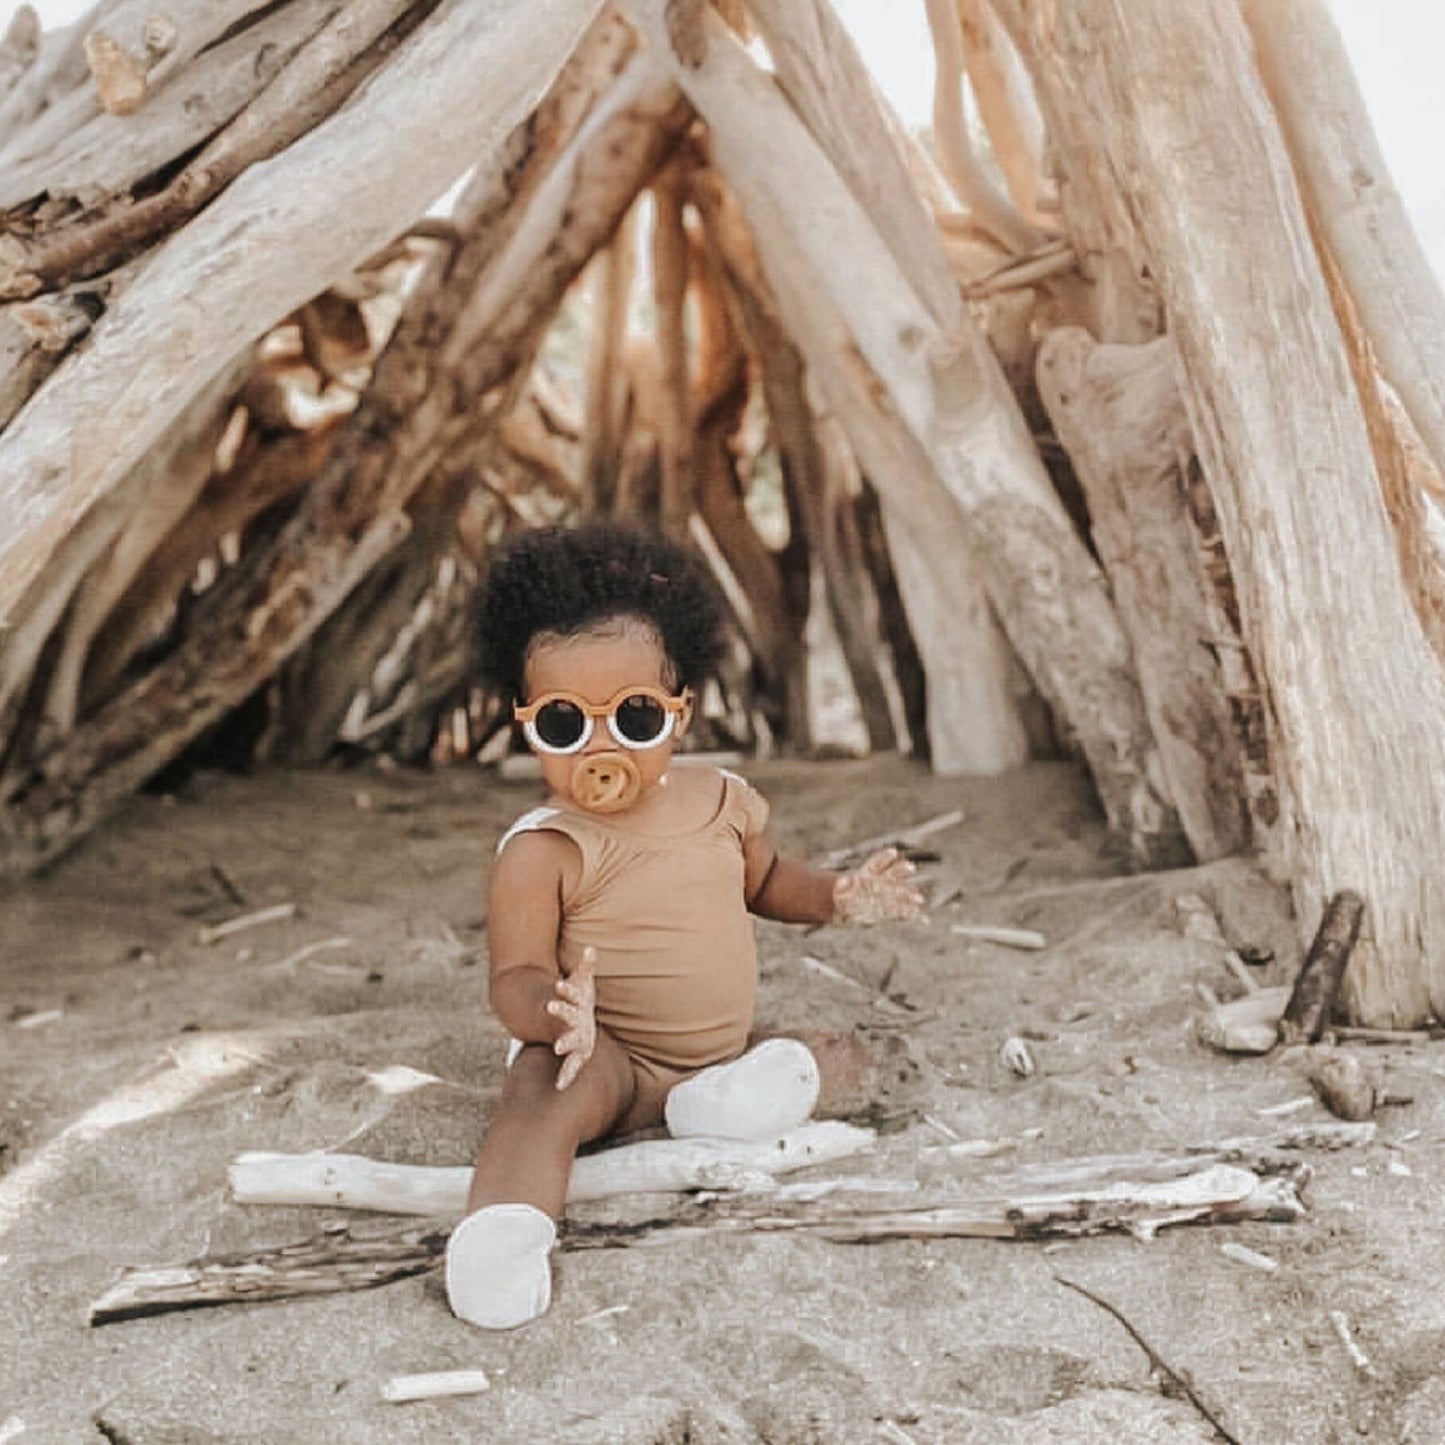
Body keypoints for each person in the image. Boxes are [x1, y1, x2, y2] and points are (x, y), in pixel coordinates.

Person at [446, 521, 924, 1329]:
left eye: (632, 717)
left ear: (681, 710)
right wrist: (553, 1009)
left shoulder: (720, 799)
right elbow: (514, 976)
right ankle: (502, 1231)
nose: (601, 745)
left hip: (720, 1046)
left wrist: (840, 896)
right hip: (613, 1058)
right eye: (565, 725)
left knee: (836, 1053)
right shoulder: (542, 849)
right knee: (539, 1087)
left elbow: (768, 882)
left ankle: (725, 1099)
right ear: (528, 723)